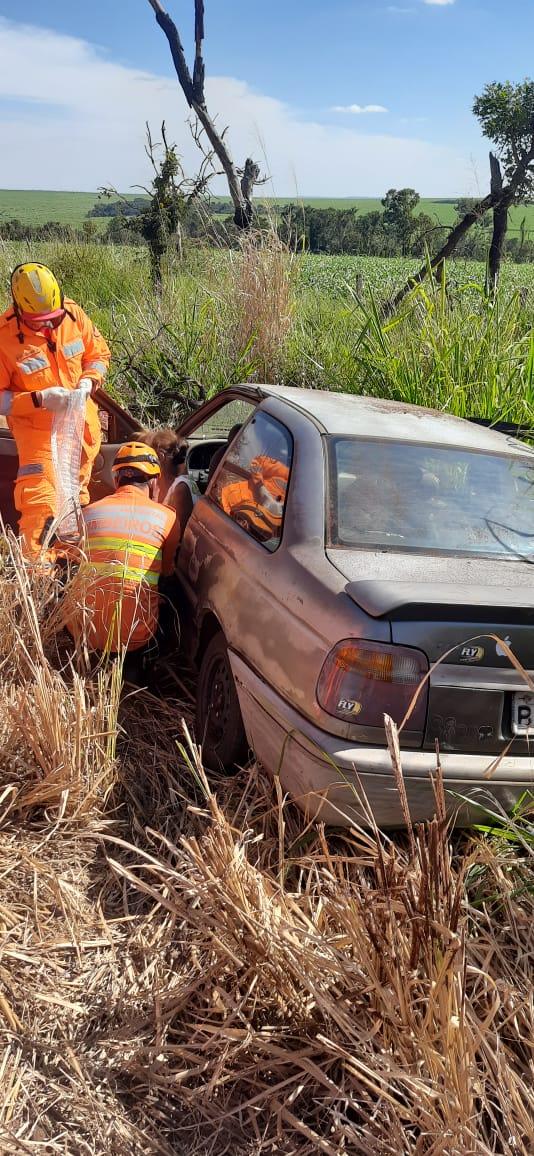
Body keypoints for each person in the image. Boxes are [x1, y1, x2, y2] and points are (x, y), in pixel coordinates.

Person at [0, 262, 111, 557]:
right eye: (38, 321)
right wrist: (39, 399)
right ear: (19, 311)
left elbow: (98, 355)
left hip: (81, 434)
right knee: (41, 514)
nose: (48, 326)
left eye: (53, 318)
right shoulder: (3, 337)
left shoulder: (73, 315)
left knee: (77, 511)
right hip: (39, 440)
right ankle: (36, 584)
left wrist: (89, 381)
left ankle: (71, 574)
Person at [69, 442, 181, 674]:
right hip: (134, 639)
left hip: (84, 632)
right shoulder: (167, 518)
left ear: (117, 479)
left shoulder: (87, 513)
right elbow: (167, 572)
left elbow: (71, 564)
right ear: (153, 481)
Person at [136, 428, 197, 538]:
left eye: (149, 457)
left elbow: (179, 537)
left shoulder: (181, 489)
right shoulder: (166, 482)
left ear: (160, 456)